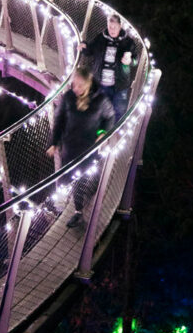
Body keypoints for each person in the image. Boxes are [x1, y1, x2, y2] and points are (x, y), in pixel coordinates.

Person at [46, 65, 115, 227]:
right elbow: (59, 120)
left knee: (80, 179)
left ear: (88, 84)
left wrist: (102, 132)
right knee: (65, 179)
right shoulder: (69, 97)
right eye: (73, 85)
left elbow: (110, 117)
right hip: (69, 147)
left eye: (80, 85)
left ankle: (78, 212)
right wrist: (54, 143)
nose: (75, 89)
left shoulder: (100, 99)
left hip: (89, 148)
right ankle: (64, 208)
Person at [77, 14, 135, 118]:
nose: (111, 29)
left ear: (120, 26)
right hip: (102, 83)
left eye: (114, 27)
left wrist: (130, 60)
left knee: (118, 112)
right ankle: (101, 133)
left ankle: (114, 133)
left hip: (120, 85)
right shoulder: (101, 38)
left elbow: (135, 60)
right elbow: (90, 50)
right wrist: (84, 46)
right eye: (109, 26)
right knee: (101, 111)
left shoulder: (128, 42)